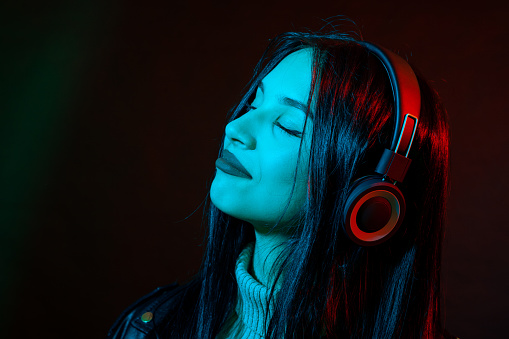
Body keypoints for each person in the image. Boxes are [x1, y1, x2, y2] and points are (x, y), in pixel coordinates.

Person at [107, 27, 453, 338]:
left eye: (288, 125)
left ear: (373, 200)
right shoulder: (150, 325)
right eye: (253, 103)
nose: (235, 130)